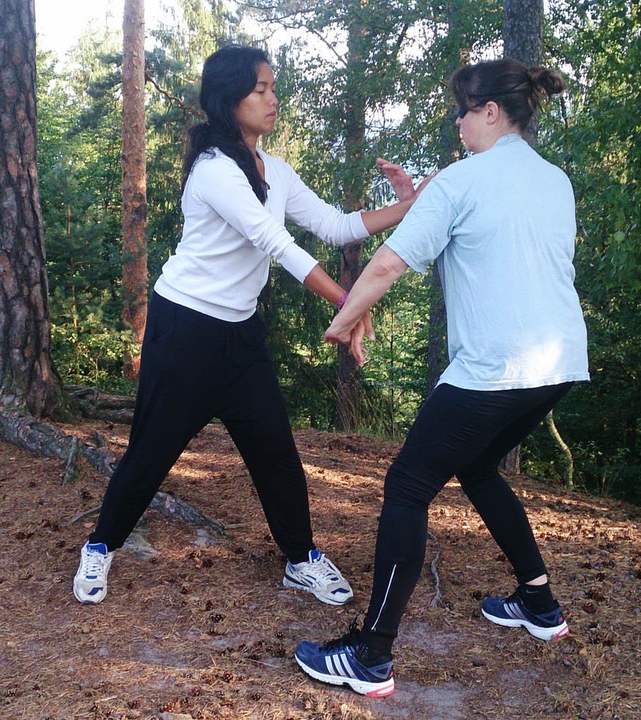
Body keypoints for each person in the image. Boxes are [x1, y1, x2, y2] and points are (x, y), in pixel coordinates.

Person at [73, 45, 430, 607]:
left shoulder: (277, 172)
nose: (272, 98)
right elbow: (275, 242)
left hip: (239, 335)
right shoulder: (215, 170)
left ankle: (300, 559)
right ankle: (100, 546)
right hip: (185, 328)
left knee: (275, 452)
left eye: (272, 87)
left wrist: (409, 205)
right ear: (228, 98)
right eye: (260, 89)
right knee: (152, 451)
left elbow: (337, 227)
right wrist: (351, 303)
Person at [293, 58, 588, 697]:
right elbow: (493, 217)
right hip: (558, 363)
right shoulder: (554, 180)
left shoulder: (462, 180)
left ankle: (370, 656)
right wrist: (423, 195)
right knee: (478, 469)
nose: (456, 123)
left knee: (407, 486)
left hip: (495, 367)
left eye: (462, 111)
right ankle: (539, 604)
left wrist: (345, 320)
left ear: (489, 111)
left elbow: (388, 265)